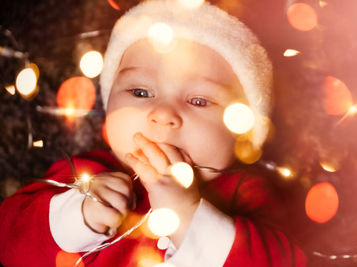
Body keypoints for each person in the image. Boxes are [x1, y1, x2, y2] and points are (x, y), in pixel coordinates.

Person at [0, 1, 306, 266]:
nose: (162, 115)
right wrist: (75, 216)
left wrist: (186, 214)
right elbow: (9, 242)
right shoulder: (85, 173)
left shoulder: (244, 194)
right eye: (141, 92)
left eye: (198, 100)